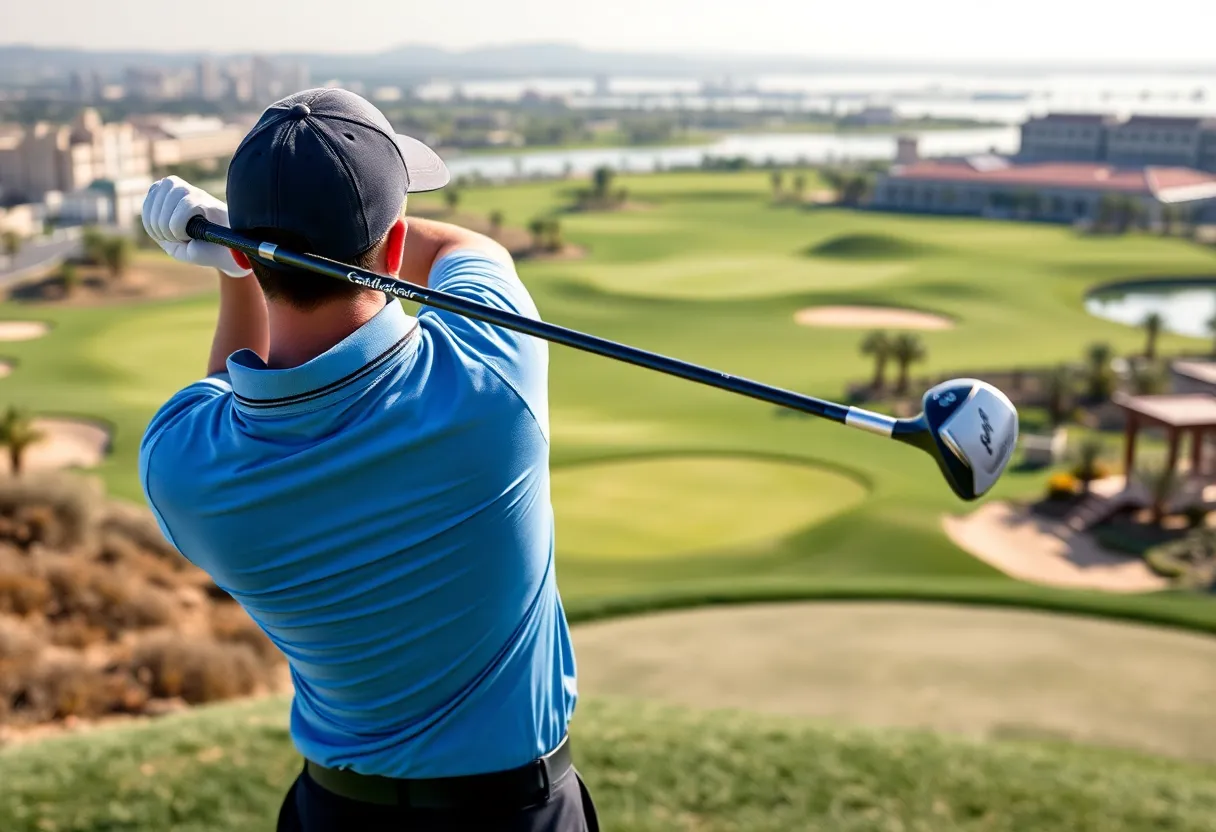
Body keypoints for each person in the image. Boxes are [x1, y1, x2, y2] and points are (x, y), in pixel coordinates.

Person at [138, 88, 596, 832]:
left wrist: (239, 260)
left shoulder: (178, 466)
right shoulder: (490, 373)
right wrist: (250, 249)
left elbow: (225, 387)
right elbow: (464, 250)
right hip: (516, 815)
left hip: (333, 815)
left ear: (253, 256)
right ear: (390, 249)